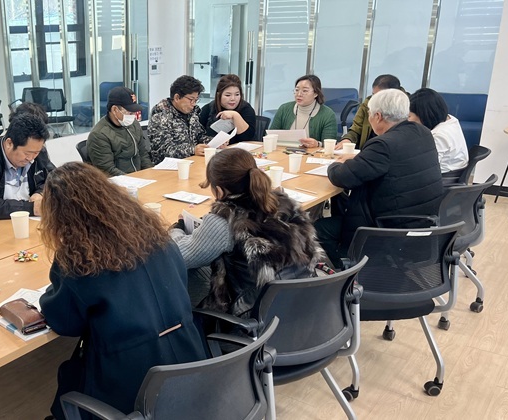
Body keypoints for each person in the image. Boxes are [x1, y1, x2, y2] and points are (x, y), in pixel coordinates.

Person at [38, 162, 207, 419]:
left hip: (132, 385)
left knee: (69, 380)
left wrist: (49, 295)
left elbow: (65, 323)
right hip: (191, 365)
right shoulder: (158, 236)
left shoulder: (79, 261)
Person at [170, 148, 325, 316]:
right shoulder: (285, 202)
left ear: (219, 192)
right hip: (302, 299)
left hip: (253, 312)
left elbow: (180, 255)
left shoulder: (225, 220)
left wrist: (177, 228)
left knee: (188, 272)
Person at [315, 89, 444, 268]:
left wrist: (334, 164)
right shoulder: (422, 132)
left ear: (378, 116)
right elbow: (391, 162)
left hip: (386, 229)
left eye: (369, 114)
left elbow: (342, 177)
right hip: (422, 222)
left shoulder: (383, 144)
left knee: (316, 229)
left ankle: (347, 274)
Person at [87, 86, 152, 175]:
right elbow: (107, 170)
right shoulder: (99, 135)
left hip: (139, 177)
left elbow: (143, 154)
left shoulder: (134, 125)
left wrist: (150, 173)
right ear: (115, 110)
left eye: (134, 112)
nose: (133, 116)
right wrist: (132, 180)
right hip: (118, 181)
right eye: (130, 112)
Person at [148, 75, 210, 164]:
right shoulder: (160, 116)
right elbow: (163, 151)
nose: (193, 104)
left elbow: (199, 136)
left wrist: (213, 142)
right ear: (177, 98)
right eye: (191, 99)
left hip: (191, 162)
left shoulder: (192, 113)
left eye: (196, 100)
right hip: (168, 167)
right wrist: (193, 150)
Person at [408, 88, 469, 173]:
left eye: (409, 116)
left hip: (443, 176)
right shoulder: (451, 120)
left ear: (423, 115)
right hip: (454, 169)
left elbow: (426, 167)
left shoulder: (438, 135)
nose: (408, 120)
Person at [339, 74, 406, 150]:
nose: (375, 99)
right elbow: (356, 128)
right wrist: (348, 139)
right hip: (367, 150)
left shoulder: (406, 108)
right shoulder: (367, 104)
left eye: (379, 96)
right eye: (374, 95)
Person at [269, 74, 336, 148]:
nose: (299, 94)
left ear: (316, 93)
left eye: (305, 91)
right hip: (283, 152)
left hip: (311, 154)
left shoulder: (327, 114)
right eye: (297, 90)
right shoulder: (284, 109)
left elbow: (330, 145)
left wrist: (318, 144)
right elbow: (270, 136)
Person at [199, 74, 257, 144]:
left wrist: (235, 115)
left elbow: (248, 138)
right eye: (228, 95)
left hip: (241, 149)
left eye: (237, 94)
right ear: (219, 95)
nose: (233, 99)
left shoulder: (246, 109)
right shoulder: (208, 108)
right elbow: (197, 136)